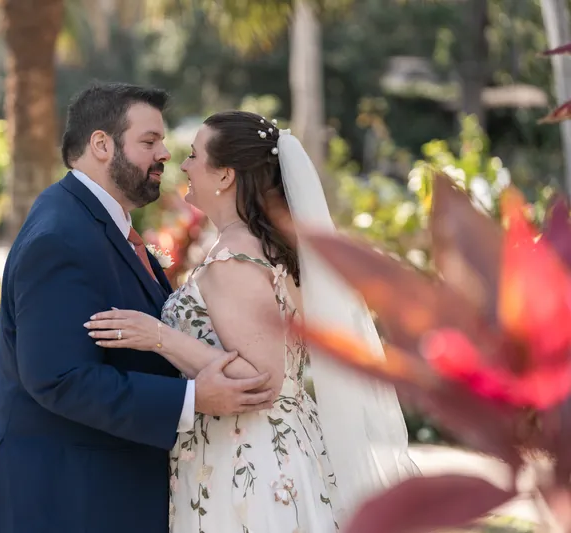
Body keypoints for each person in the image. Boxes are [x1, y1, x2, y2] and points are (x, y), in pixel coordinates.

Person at [85, 111, 420, 532]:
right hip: (283, 445)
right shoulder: (269, 247)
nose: (182, 164)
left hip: (248, 460)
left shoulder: (234, 260)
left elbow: (260, 378)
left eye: (193, 155)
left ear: (224, 175)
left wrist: (158, 337)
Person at [0, 86, 277, 533]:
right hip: (60, 496)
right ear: (101, 144)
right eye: (149, 142)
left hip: (100, 488)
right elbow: (58, 377)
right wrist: (192, 399)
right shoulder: (60, 234)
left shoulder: (101, 223)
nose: (166, 154)